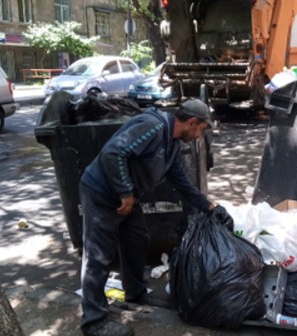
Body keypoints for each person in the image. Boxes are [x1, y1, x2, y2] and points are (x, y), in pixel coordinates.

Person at [78, 99, 219, 336]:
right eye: (201, 130)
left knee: (138, 240)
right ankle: (94, 322)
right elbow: (114, 153)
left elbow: (181, 181)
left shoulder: (172, 143)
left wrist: (208, 206)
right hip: (102, 192)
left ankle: (135, 294)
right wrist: (125, 192)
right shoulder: (152, 127)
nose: (198, 136)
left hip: (126, 197)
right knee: (98, 256)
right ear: (192, 122)